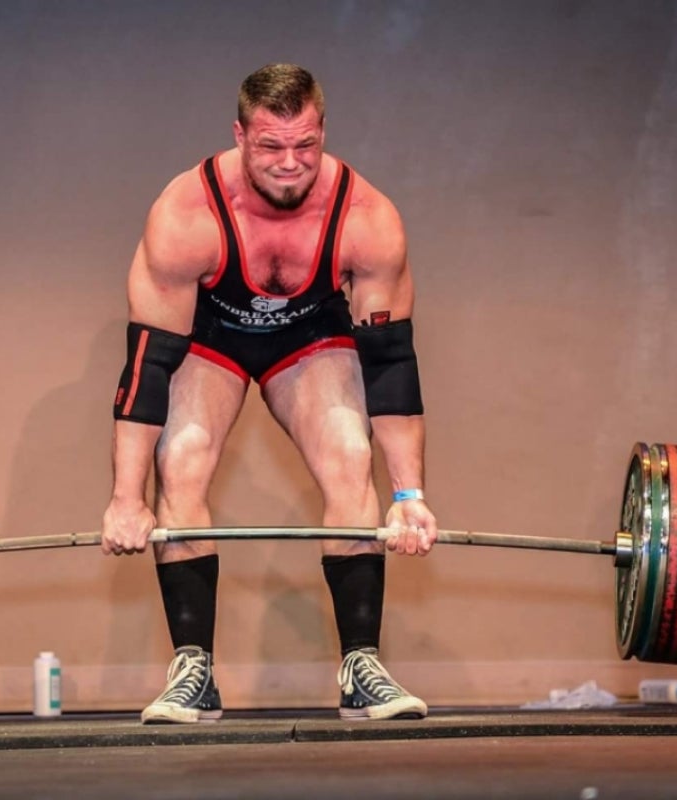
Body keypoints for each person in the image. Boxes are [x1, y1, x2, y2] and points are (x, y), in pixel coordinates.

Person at [101, 63, 438, 724]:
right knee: (185, 459)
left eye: (305, 146)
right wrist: (124, 500)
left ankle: (360, 668)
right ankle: (193, 670)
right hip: (210, 339)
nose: (290, 163)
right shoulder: (185, 215)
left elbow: (392, 365)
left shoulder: (367, 218)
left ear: (322, 133)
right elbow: (148, 366)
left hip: (309, 337)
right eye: (271, 147)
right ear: (239, 135)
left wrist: (409, 497)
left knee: (348, 451)